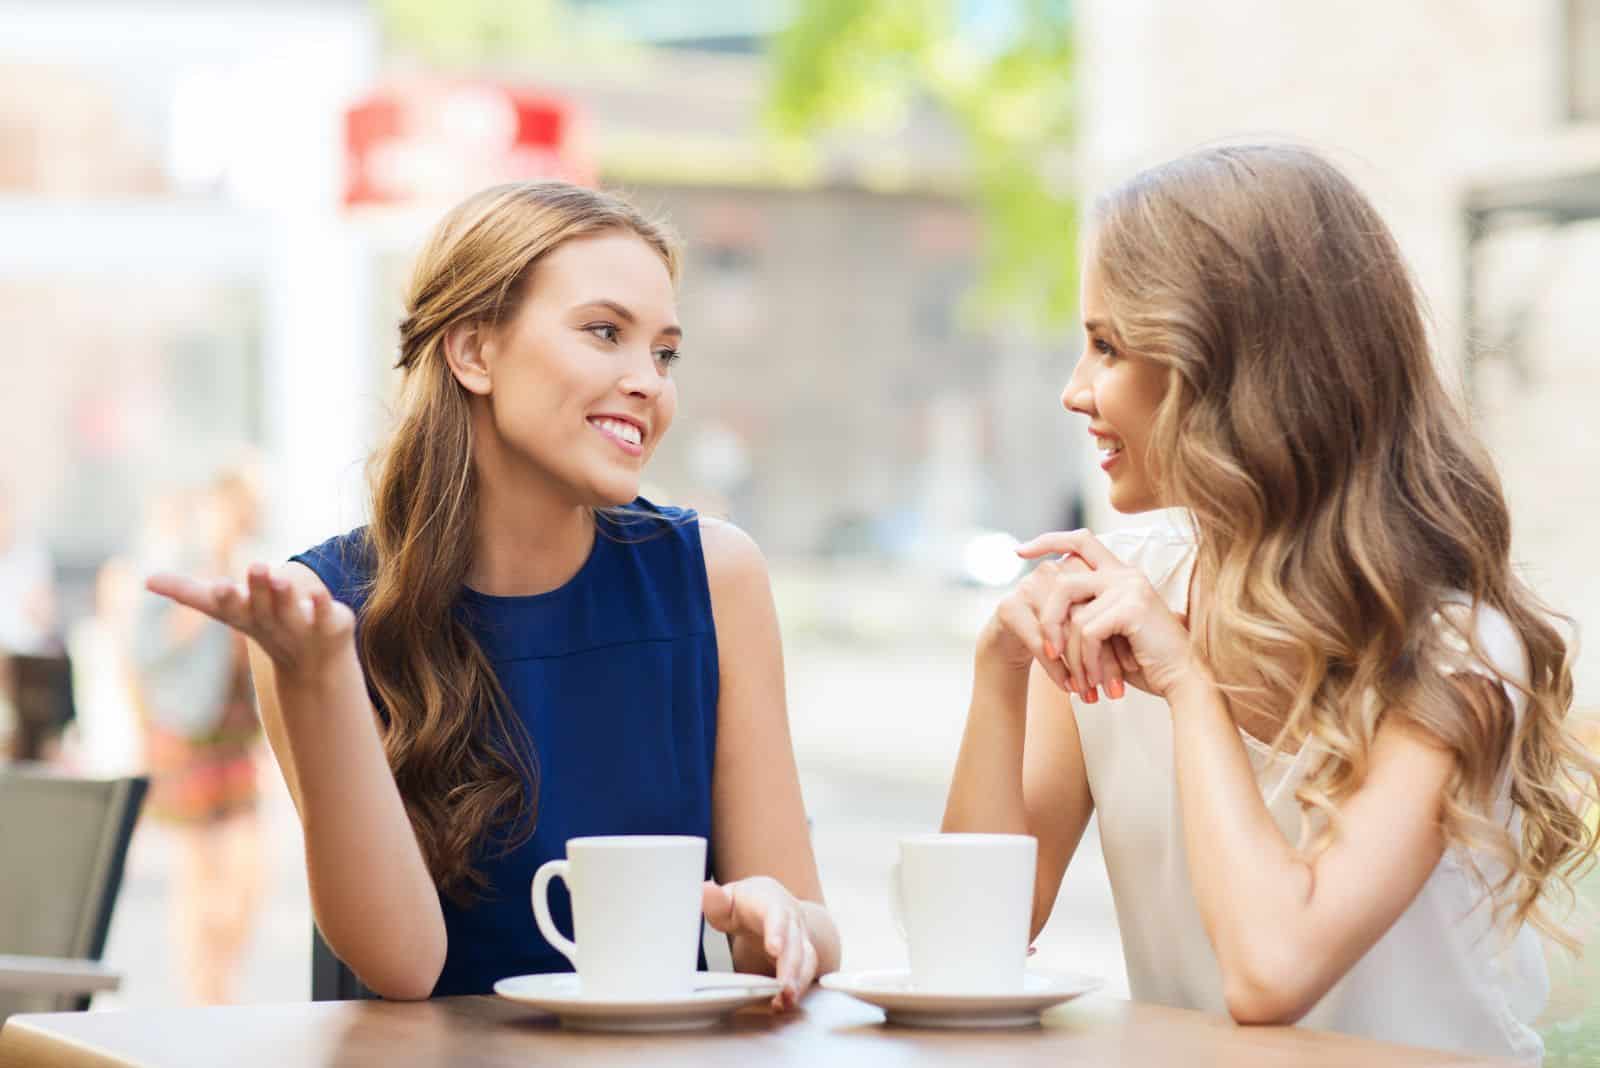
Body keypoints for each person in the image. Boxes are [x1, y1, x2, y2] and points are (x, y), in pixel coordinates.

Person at [943, 144, 1600, 1059]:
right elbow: (971, 942)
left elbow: (1271, 971)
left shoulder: (1455, 649)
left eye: (1109, 346)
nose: (1075, 391)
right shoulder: (1115, 598)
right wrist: (999, 674)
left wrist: (1188, 683)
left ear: (1232, 369)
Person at [147, 181, 840, 1006]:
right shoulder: (324, 615)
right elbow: (403, 966)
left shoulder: (715, 578)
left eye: (664, 352)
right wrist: (320, 674)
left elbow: (809, 932)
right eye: (604, 333)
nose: (649, 382)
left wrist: (776, 919)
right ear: (474, 352)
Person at [129, 470, 266, 1004]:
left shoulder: (253, 569)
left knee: (244, 884)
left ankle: (217, 982)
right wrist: (186, 624)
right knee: (196, 882)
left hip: (235, 736)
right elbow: (141, 654)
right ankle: (203, 997)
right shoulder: (177, 567)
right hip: (187, 731)